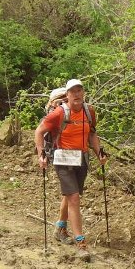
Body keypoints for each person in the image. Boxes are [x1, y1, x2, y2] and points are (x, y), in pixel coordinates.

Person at [34, 78, 107, 249]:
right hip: (63, 159)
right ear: (67, 95)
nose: (77, 94)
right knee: (74, 198)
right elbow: (39, 131)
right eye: (73, 91)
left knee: (71, 194)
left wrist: (99, 152)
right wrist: (41, 154)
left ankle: (60, 227)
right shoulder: (59, 113)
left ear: (83, 93)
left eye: (79, 91)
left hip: (81, 158)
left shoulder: (89, 112)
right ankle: (80, 241)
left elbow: (92, 134)